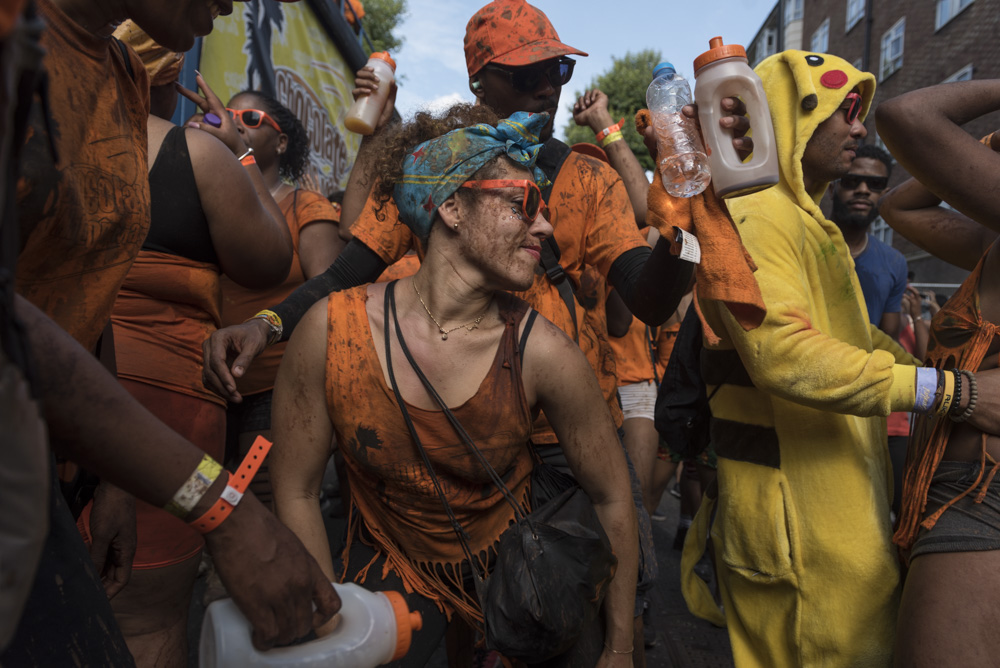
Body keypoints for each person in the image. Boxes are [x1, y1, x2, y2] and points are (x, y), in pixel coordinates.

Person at [3, 1, 339, 663]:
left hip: (47, 462)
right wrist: (219, 505)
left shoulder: (119, 73)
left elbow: (90, 287)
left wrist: (114, 483)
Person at [270, 108, 639, 667]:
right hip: (388, 577)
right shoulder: (332, 331)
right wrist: (333, 631)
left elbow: (613, 495)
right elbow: (296, 490)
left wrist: (619, 649)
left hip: (515, 585)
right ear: (452, 207)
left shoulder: (544, 352)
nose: (545, 227)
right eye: (524, 205)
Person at [677, 50, 979, 667]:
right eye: (844, 110)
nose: (861, 127)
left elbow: (852, 340)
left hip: (823, 513)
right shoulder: (758, 217)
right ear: (790, 118)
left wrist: (949, 375)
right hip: (799, 533)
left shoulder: (803, 218)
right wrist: (949, 394)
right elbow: (784, 355)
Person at [72, 21, 296, 666]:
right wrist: (240, 156)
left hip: (47, 392)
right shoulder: (193, 157)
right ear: (166, 83)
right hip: (166, 410)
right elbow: (269, 260)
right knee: (144, 626)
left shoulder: (45, 131)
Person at [875, 78, 1000, 668]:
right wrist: (985, 147)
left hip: (980, 502)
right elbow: (899, 207)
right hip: (950, 495)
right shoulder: (989, 245)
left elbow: (906, 116)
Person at [215, 88, 344, 506]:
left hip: (276, 391)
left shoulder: (307, 207)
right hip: (212, 386)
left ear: (281, 142)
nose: (235, 121)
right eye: (228, 113)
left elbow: (328, 296)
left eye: (250, 118)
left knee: (260, 499)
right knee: (208, 499)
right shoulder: (209, 202)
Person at [829, 144, 907, 338]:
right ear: (832, 189)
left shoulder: (894, 262)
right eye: (851, 181)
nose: (863, 190)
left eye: (875, 184)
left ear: (884, 194)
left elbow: (889, 338)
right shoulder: (802, 240)